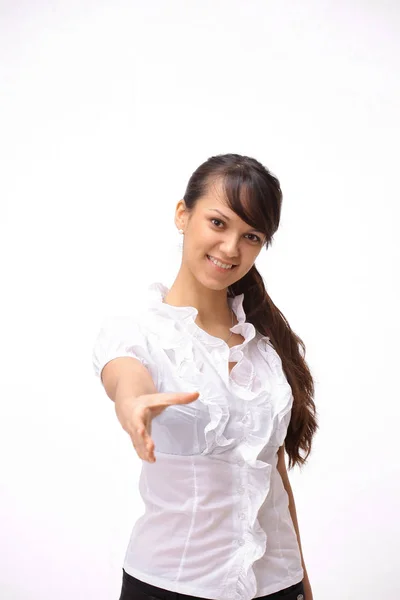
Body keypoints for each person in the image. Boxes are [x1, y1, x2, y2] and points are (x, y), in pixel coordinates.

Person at [92, 153, 318, 600]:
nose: (232, 248)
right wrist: (133, 404)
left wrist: (304, 585)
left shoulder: (266, 347)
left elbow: (272, 477)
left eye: (250, 235)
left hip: (278, 585)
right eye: (218, 223)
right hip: (172, 586)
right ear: (183, 214)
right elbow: (125, 378)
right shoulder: (137, 333)